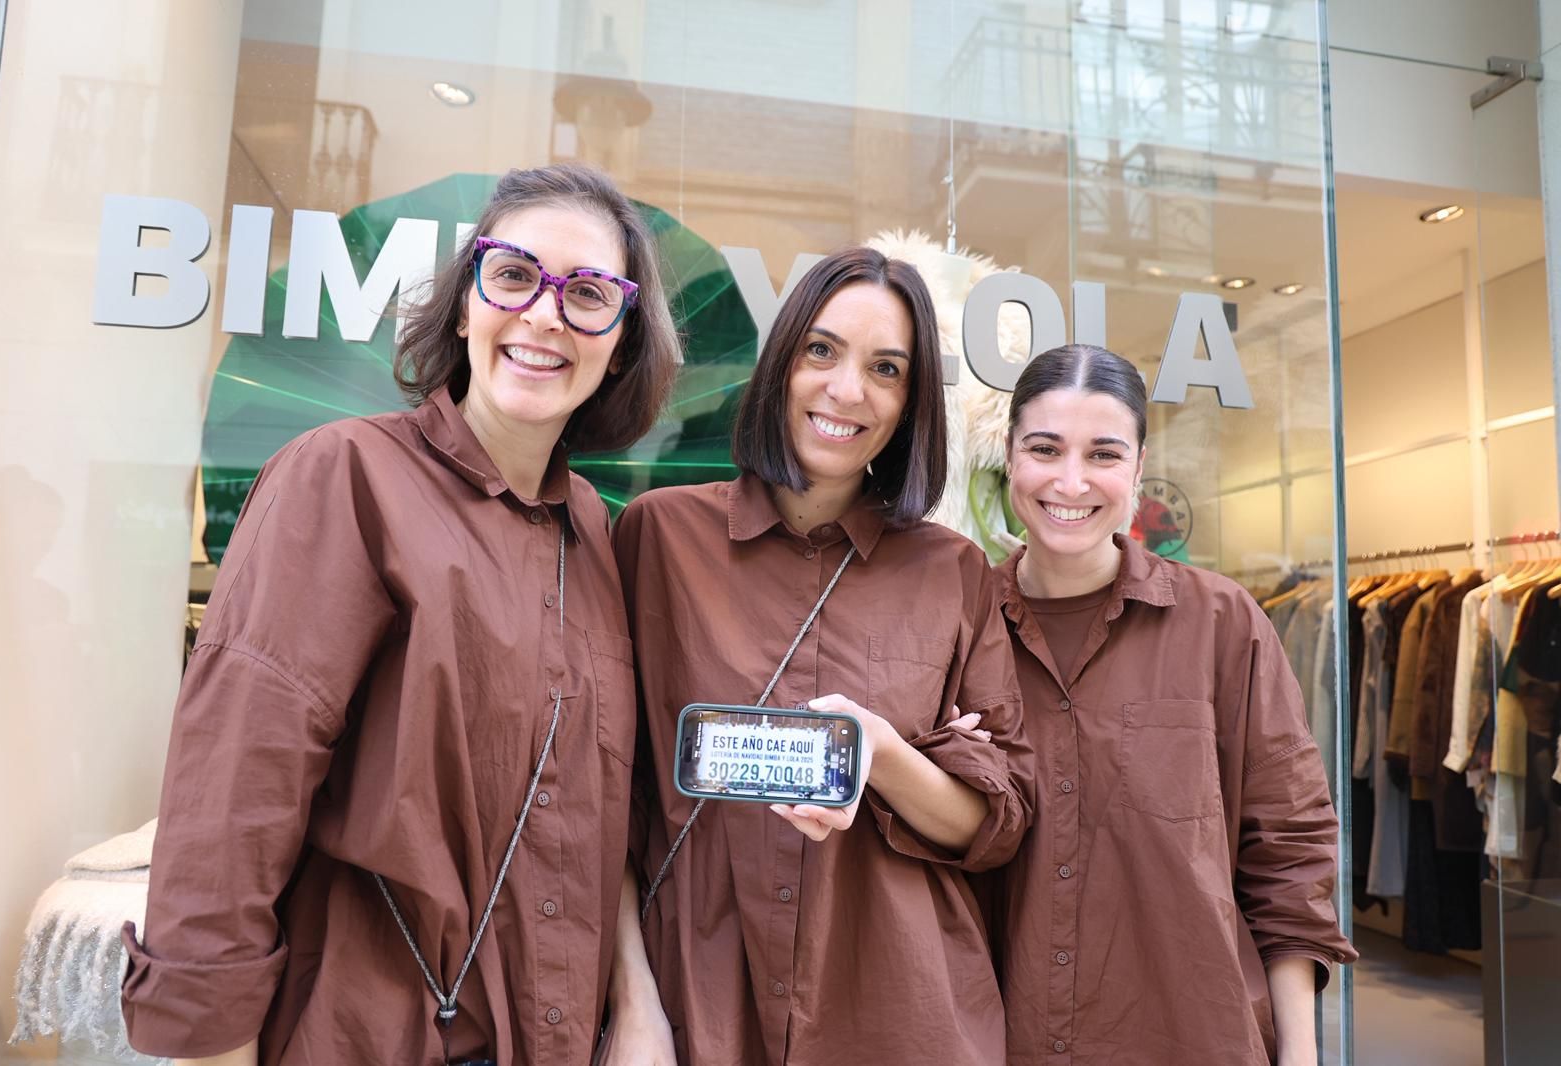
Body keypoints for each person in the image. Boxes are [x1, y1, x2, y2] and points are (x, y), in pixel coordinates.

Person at [120, 163, 679, 1066]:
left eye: (586, 293)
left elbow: (592, 802)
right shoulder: (342, 476)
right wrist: (206, 1042)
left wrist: (638, 1004)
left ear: (620, 340)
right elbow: (236, 786)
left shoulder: (595, 533)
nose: (543, 314)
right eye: (512, 275)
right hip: (366, 1029)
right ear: (465, 306)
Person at [599, 246, 1035, 1066]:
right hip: (698, 1001)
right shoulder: (657, 539)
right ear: (781, 363)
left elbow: (995, 823)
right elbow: (600, 796)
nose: (846, 390)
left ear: (909, 404)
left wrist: (880, 750)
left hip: (899, 1012)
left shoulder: (952, 573)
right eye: (822, 351)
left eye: (886, 369)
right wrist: (634, 1007)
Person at [981, 343, 1357, 1065]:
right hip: (1001, 1039)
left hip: (1189, 1035)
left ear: (1139, 470)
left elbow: (1289, 852)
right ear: (1009, 455)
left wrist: (1302, 1056)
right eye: (1045, 448)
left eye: (1103, 454)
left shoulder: (1221, 623)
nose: (1070, 480)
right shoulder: (961, 626)